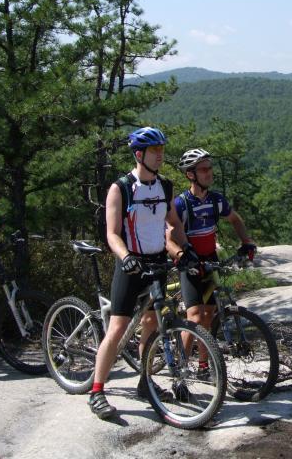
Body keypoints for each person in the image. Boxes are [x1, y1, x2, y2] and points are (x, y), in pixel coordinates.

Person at [88, 127, 194, 420]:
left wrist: (185, 249)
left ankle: (145, 382)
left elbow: (172, 222)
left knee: (151, 322)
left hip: (157, 262)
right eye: (154, 150)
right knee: (119, 327)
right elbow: (111, 233)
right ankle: (97, 391)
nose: (160, 155)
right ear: (139, 154)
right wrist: (125, 257)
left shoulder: (165, 186)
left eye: (161, 149)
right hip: (131, 265)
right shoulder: (120, 188)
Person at [172, 148, 257, 377]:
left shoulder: (215, 200)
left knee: (209, 315)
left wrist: (246, 242)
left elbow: (234, 218)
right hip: (190, 263)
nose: (209, 173)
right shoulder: (181, 204)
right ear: (191, 174)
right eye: (203, 169)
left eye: (210, 168)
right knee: (195, 317)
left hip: (210, 260)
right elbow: (169, 234)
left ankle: (203, 366)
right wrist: (180, 256)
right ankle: (180, 371)